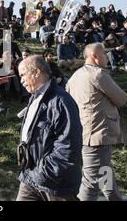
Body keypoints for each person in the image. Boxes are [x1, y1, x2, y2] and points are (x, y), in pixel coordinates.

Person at [66, 43, 127, 201]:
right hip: (98, 134)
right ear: (95, 56)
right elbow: (121, 99)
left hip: (84, 132)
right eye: (104, 54)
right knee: (91, 183)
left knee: (104, 172)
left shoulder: (75, 76)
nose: (107, 57)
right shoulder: (99, 74)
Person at [16, 56, 82, 201]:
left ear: (37, 72)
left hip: (55, 183)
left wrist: (44, 172)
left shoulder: (62, 102)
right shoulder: (35, 97)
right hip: (30, 176)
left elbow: (68, 147)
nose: (20, 80)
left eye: (22, 75)